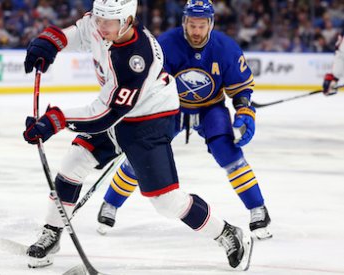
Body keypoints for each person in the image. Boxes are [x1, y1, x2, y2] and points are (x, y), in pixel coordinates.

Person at [22, 0, 253, 271]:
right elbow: (81, 32)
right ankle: (53, 231)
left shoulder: (137, 59)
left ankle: (226, 233)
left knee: (166, 202)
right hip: (118, 113)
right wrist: (51, 41)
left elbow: (103, 116)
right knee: (74, 162)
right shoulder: (104, 23)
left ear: (128, 21)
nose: (100, 26)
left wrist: (54, 121)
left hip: (149, 121)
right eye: (99, 18)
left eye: (108, 21)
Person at [97, 0, 272, 240]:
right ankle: (111, 204)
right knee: (142, 153)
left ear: (211, 24)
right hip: (170, 107)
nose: (197, 31)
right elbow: (147, 84)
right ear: (184, 22)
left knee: (228, 153)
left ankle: (257, 208)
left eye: (201, 25)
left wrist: (244, 111)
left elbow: (240, 89)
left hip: (211, 109)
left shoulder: (226, 48)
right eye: (192, 25)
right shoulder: (165, 45)